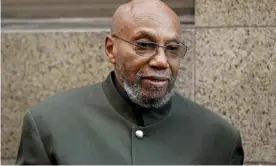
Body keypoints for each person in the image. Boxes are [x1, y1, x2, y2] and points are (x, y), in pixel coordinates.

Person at [16, 0, 244, 164]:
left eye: (172, 49)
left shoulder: (219, 139)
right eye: (144, 45)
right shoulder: (49, 126)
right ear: (110, 49)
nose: (161, 61)